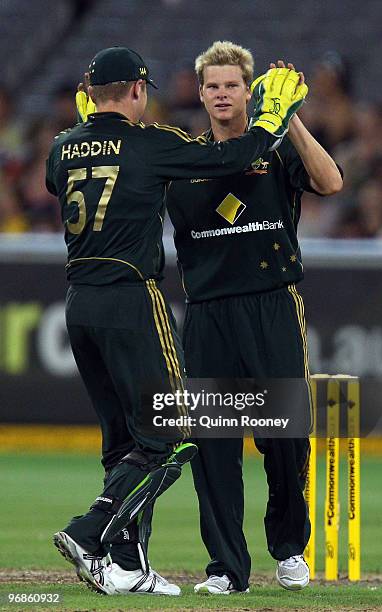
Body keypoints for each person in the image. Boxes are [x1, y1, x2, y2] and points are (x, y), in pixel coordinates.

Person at [45, 46, 307, 596]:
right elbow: (229, 160)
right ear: (139, 90)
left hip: (77, 303)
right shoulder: (153, 144)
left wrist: (86, 130)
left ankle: (127, 566)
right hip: (132, 299)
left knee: (124, 441)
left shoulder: (64, 147)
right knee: (180, 432)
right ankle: (92, 530)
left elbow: (62, 178)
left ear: (90, 94)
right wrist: (270, 118)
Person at [166, 41, 343, 594]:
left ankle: (290, 549)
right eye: (212, 86)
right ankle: (226, 568)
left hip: (271, 303)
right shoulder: (185, 156)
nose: (222, 94)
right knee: (213, 445)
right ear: (201, 94)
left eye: (232, 85)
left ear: (248, 91)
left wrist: (288, 120)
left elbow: (331, 182)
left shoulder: (277, 148)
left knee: (286, 436)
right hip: (208, 311)